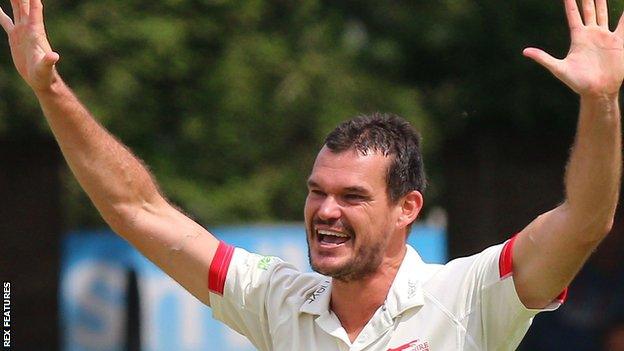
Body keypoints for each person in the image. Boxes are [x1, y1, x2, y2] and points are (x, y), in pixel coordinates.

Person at [0, 0, 621, 349]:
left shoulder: (471, 294)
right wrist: (50, 90)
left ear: (408, 206)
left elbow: (586, 220)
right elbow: (138, 210)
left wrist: (600, 104)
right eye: (316, 191)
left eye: (352, 197)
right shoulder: (276, 300)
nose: (325, 211)